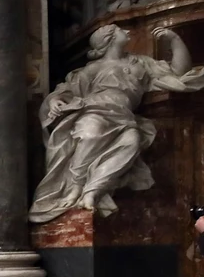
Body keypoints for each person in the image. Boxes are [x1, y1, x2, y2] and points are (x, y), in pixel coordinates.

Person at [30, 26, 204, 223]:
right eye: (120, 30)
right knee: (89, 136)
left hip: (124, 117)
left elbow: (179, 72)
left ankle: (92, 190)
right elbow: (67, 91)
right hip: (95, 111)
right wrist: (55, 101)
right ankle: (75, 187)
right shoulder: (93, 68)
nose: (128, 31)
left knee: (132, 143)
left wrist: (174, 39)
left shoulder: (141, 63)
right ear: (109, 39)